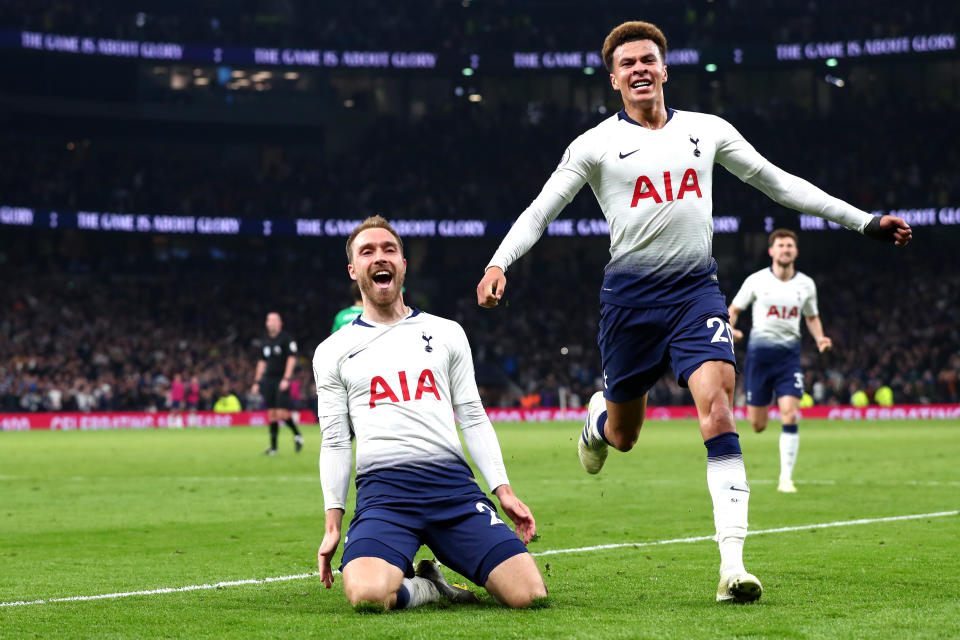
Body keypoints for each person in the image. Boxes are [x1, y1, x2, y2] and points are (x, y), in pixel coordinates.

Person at [475, 20, 912, 603]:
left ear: (664, 68)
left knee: (718, 411)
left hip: (694, 294)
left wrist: (864, 221)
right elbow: (539, 212)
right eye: (627, 63)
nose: (639, 69)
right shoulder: (594, 145)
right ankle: (597, 421)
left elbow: (778, 183)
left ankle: (732, 568)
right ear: (613, 79)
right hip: (628, 303)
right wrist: (498, 263)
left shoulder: (707, 131)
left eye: (647, 60)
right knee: (625, 437)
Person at [314, 215, 547, 611]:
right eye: (367, 252)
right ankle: (426, 588)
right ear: (354, 270)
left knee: (528, 595)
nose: (379, 257)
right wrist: (332, 523)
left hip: (453, 492)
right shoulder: (333, 350)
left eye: (389, 250)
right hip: (384, 497)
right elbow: (335, 440)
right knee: (367, 596)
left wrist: (502, 490)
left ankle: (444, 567)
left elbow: (472, 417)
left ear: (404, 264)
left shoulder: (447, 333)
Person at [728, 229, 832, 494]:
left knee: (790, 413)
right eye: (781, 246)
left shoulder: (806, 285)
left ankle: (786, 478)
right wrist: (733, 329)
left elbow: (811, 316)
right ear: (771, 251)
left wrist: (820, 338)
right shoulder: (756, 280)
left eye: (790, 246)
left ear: (795, 252)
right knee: (757, 425)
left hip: (788, 360)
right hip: (758, 360)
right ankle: (763, 422)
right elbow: (734, 310)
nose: (785, 249)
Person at [251, 312, 304, 455]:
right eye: (269, 320)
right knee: (272, 413)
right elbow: (262, 362)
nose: (271, 322)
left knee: (281, 412)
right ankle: (274, 448)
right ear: (266, 324)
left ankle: (297, 434)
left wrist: (286, 378)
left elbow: (292, 359)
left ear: (280, 323)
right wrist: (256, 381)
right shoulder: (265, 341)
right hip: (268, 380)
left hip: (281, 379)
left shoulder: (286, 339)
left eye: (274, 320)